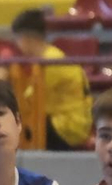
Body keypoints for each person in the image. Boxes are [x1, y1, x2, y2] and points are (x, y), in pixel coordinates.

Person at [8, 10, 90, 152]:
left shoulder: (50, 62)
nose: (18, 46)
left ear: (26, 39)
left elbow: (29, 100)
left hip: (69, 126)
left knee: (17, 126)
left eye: (17, 40)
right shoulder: (51, 56)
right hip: (67, 120)